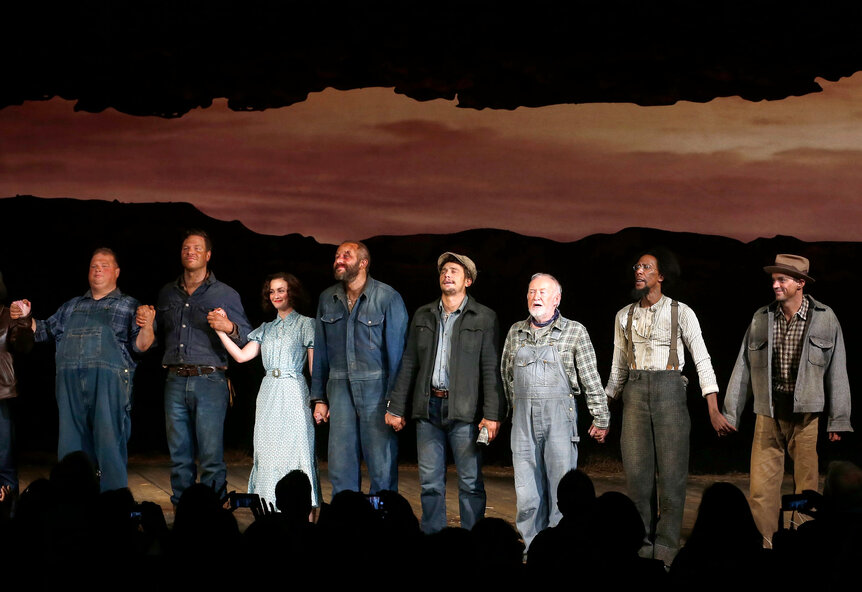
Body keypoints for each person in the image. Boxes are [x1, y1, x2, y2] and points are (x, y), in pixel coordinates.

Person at [721, 254, 852, 545]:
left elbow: (837, 370)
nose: (776, 285)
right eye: (774, 280)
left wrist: (839, 419)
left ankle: (803, 544)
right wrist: (731, 414)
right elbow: (743, 366)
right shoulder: (762, 318)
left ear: (800, 283)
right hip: (768, 413)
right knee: (762, 488)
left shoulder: (824, 318)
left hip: (806, 417)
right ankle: (765, 546)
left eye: (782, 280)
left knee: (805, 490)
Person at [604, 248, 719, 564]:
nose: (638, 271)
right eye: (636, 266)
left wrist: (712, 407)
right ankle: (641, 549)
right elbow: (617, 368)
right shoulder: (623, 315)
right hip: (635, 396)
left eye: (646, 267)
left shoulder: (681, 312)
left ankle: (666, 549)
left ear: (662, 275)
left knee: (672, 479)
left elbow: (702, 359)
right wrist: (603, 412)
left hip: (670, 393)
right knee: (638, 480)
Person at [11, 249, 154, 491]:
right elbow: (44, 330)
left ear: (117, 272)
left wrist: (148, 324)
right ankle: (72, 508)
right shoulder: (72, 306)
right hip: (70, 389)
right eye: (93, 265)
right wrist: (26, 317)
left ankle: (113, 508)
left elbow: (141, 346)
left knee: (109, 447)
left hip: (108, 387)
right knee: (71, 452)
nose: (98, 269)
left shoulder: (129, 305)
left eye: (104, 265)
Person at [386, 252, 506, 532]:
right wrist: (396, 407)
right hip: (428, 409)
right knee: (429, 484)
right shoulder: (423, 314)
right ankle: (433, 541)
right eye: (444, 271)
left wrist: (492, 415)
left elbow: (490, 368)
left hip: (464, 411)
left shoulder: (485, 317)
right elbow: (409, 362)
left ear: (468, 280)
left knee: (470, 483)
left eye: (454, 270)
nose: (447, 275)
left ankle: (473, 542)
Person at [501, 273, 609, 549]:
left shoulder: (574, 331)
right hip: (523, 421)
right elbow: (506, 376)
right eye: (531, 291)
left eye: (543, 292)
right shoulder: (516, 332)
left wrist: (601, 416)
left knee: (562, 488)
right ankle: (529, 548)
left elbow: (590, 377)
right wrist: (515, 410)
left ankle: (562, 548)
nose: (536, 297)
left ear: (557, 298)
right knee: (527, 491)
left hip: (560, 419)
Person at [147, 230, 252, 505]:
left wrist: (228, 326)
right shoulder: (167, 292)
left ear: (207, 255)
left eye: (196, 248)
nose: (190, 251)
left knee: (210, 455)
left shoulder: (225, 293)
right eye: (185, 247)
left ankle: (214, 512)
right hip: (174, 379)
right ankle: (182, 509)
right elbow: (156, 338)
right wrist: (145, 322)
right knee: (179, 455)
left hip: (210, 380)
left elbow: (248, 336)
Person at [211, 272, 320, 509]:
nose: (275, 295)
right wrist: (220, 331)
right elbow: (241, 356)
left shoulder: (307, 324)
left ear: (292, 292)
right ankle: (269, 510)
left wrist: (320, 400)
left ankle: (304, 516)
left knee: (298, 452)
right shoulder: (266, 328)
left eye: (281, 290)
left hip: (293, 389)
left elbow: (314, 369)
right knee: (268, 453)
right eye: (272, 291)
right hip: (269, 391)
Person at [311, 241, 408, 495]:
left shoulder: (388, 297)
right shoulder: (327, 299)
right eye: (337, 255)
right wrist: (319, 398)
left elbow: (398, 357)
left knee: (381, 464)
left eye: (346, 255)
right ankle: (346, 525)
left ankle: (383, 525)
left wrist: (395, 403)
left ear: (363, 263)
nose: (339, 259)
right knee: (340, 464)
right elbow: (320, 351)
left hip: (377, 390)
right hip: (339, 387)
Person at [0, 272, 34, 504]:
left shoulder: (7, 315)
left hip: (1, 397)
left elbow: (24, 346)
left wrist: (23, 319)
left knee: (4, 463)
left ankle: (10, 520)